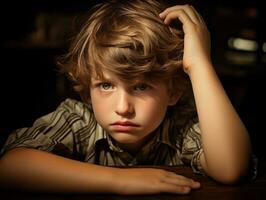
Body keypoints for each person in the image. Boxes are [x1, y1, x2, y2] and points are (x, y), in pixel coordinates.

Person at [0, 0, 253, 195]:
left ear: (174, 92)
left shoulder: (180, 127)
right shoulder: (78, 120)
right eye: (106, 85)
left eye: (141, 87)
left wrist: (198, 63)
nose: (123, 108)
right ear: (88, 90)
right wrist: (121, 180)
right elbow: (9, 167)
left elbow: (232, 169)